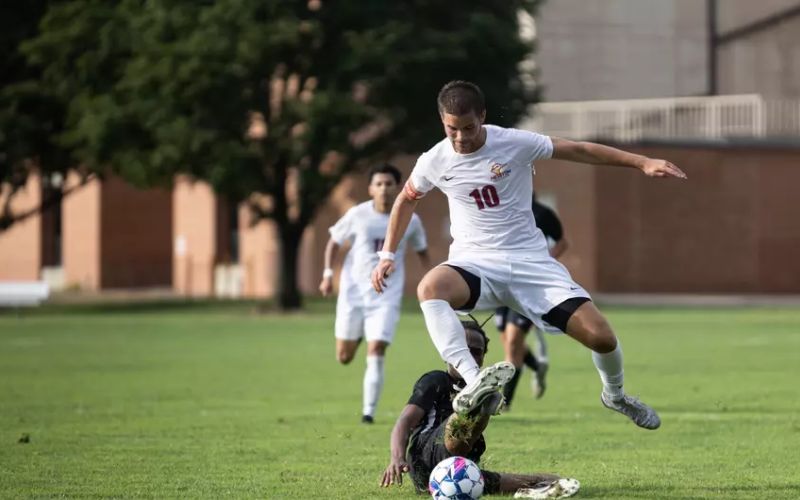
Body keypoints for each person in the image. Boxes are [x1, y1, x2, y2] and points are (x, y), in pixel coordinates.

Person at [371, 80, 687, 430]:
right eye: (452, 129)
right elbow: (407, 199)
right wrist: (387, 253)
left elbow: (579, 149)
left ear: (483, 117)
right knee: (430, 288)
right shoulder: (434, 160)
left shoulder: (514, 143)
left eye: (468, 128)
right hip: (474, 263)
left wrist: (641, 162)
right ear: (442, 122)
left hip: (531, 265)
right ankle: (476, 382)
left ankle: (615, 395)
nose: (460, 138)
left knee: (602, 337)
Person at [380, 320, 581, 499]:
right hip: (427, 458)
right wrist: (396, 458)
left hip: (461, 471)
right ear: (449, 352)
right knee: (460, 423)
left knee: (550, 480)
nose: (470, 356)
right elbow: (405, 421)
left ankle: (531, 492)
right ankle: (473, 405)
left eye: (476, 352)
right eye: (463, 350)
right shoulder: (435, 380)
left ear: (484, 356)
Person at [320, 163, 430, 424]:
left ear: (397, 187)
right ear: (370, 189)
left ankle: (368, 412)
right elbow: (334, 241)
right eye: (378, 184)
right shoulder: (358, 215)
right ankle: (357, 335)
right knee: (344, 357)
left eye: (388, 184)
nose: (383, 189)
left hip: (386, 296)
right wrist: (327, 274)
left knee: (377, 347)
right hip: (353, 293)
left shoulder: (410, 219)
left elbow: (422, 249)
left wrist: (433, 277)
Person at [496, 194, 568, 406]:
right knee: (507, 342)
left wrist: (544, 263)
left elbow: (563, 242)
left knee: (512, 343)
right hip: (504, 283)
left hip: (529, 285)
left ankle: (505, 401)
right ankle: (537, 366)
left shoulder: (542, 213)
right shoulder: (501, 209)